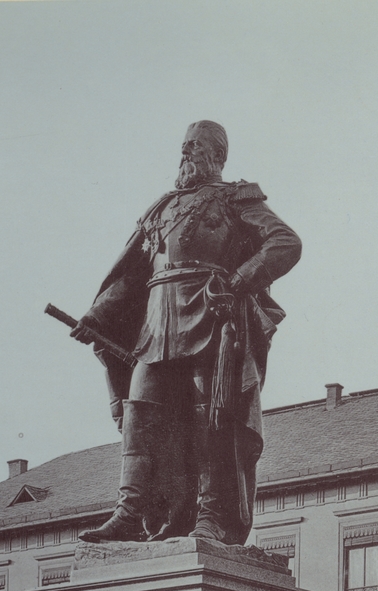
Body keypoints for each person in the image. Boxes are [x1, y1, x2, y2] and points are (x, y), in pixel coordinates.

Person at [71, 120, 302, 546]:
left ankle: (212, 513)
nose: (185, 153)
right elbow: (133, 273)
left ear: (217, 154)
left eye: (195, 145)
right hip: (157, 322)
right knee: (141, 413)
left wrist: (237, 280)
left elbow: (286, 242)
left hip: (209, 316)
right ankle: (130, 511)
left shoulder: (236, 197)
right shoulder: (160, 208)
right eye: (183, 146)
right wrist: (98, 314)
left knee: (210, 415)